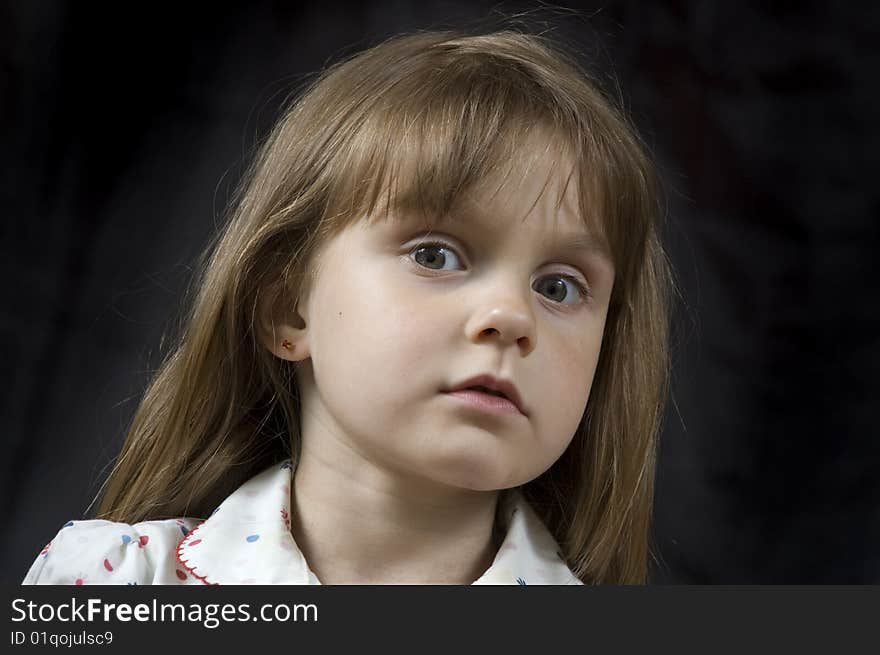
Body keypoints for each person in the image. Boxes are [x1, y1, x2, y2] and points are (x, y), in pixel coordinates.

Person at [22, 27, 673, 585]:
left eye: (558, 286)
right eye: (435, 254)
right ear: (288, 310)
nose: (510, 315)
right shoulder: (120, 585)